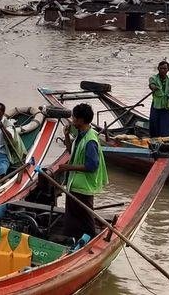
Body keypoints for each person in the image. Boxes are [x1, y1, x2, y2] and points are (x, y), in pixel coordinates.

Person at [56, 103, 108, 240]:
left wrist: (68, 167)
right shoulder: (80, 135)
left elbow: (92, 166)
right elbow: (71, 152)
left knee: (85, 217)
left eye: (74, 118)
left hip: (83, 186)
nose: (72, 120)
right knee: (71, 216)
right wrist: (66, 135)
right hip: (75, 183)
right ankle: (71, 239)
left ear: (80, 120)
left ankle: (90, 241)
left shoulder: (90, 140)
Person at [149, 61, 169, 138]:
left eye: (165, 68)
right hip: (156, 105)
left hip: (167, 106)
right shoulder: (153, 78)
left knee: (167, 127)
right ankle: (154, 140)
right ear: (158, 69)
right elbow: (151, 84)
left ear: (168, 69)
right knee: (154, 126)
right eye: (161, 68)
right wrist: (153, 87)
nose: (163, 70)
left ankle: (166, 141)